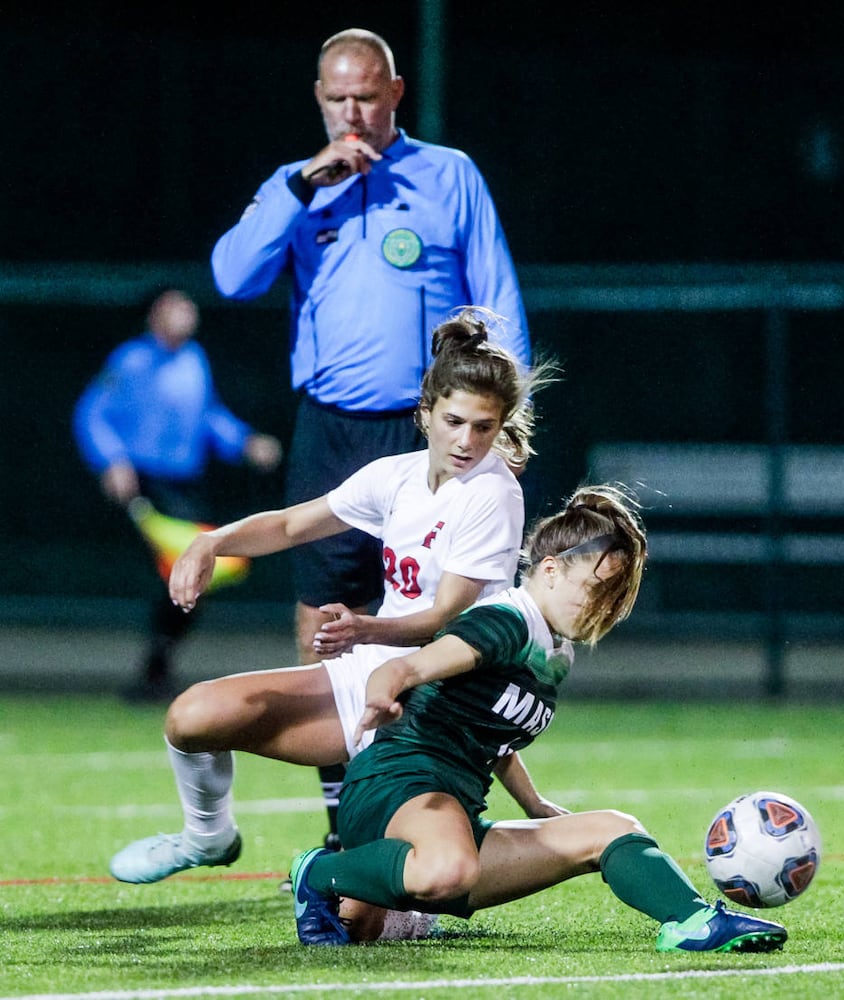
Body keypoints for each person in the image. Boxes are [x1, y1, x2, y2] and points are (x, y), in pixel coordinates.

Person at [210, 28, 532, 846]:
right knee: (324, 609)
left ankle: (432, 787)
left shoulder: (447, 174)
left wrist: (506, 419)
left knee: (440, 609)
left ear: (394, 94)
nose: (351, 112)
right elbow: (231, 275)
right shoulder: (298, 187)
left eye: (365, 97)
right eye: (335, 99)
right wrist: (296, 186)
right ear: (318, 98)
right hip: (330, 423)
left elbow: (497, 295)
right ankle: (343, 817)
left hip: (424, 428)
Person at [109, 312, 550, 884]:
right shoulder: (396, 476)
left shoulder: (492, 493)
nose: (467, 441)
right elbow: (293, 525)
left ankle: (460, 842)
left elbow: (447, 620)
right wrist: (210, 543)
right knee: (192, 716)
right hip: (376, 674)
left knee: (385, 904)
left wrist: (362, 630)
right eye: (454, 421)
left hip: (438, 700)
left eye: (484, 427)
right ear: (424, 414)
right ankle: (208, 837)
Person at [290, 485, 790, 955]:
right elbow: (409, 665)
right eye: (593, 589)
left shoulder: (556, 651)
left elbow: (493, 733)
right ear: (550, 570)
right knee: (448, 870)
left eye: (612, 597)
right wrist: (384, 689)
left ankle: (694, 922)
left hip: (452, 814)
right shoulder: (509, 620)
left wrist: (534, 804)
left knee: (611, 829)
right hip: (397, 785)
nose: (601, 607)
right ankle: (318, 871)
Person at [73, 288, 283, 703]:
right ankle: (154, 669)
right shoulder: (131, 360)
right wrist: (112, 460)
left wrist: (245, 442)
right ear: (156, 316)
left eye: (189, 307)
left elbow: (209, 416)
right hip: (149, 487)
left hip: (187, 487)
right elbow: (92, 412)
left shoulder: (194, 360)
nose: (186, 315)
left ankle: (156, 667)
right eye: (176, 308)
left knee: (193, 574)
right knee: (179, 571)